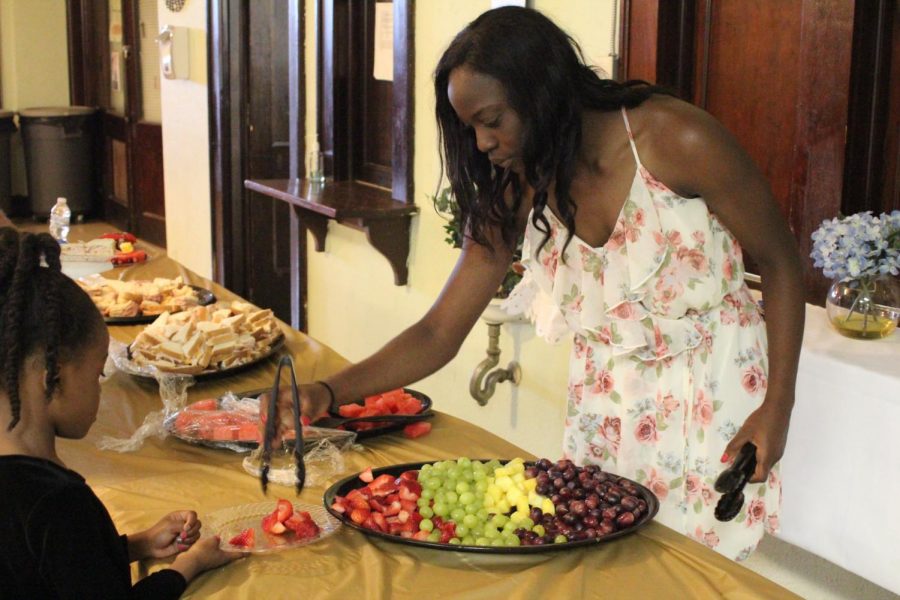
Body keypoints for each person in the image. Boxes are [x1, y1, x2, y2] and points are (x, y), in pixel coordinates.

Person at [275, 7, 804, 560]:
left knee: (694, 577)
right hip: (608, 407)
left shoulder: (677, 139)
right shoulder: (520, 182)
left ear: (542, 91)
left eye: (491, 119)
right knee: (603, 566)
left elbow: (780, 260)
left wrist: (777, 408)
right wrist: (326, 392)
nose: (480, 142)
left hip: (710, 398)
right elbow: (438, 332)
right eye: (469, 127)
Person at [0, 227, 244, 598]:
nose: (100, 388)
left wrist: (137, 545)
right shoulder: (59, 503)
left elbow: (47, 568)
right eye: (98, 372)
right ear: (53, 378)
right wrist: (186, 567)